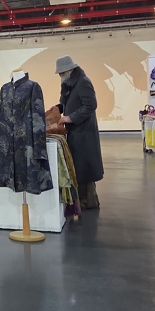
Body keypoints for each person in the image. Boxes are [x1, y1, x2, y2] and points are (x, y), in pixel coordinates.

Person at [52, 56, 104, 209]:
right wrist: (57, 109)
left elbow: (91, 105)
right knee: (79, 167)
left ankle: (89, 202)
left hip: (84, 132)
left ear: (70, 70)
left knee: (85, 168)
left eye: (62, 73)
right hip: (76, 131)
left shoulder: (83, 82)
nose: (60, 76)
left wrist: (70, 118)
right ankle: (82, 201)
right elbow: (65, 103)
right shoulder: (68, 84)